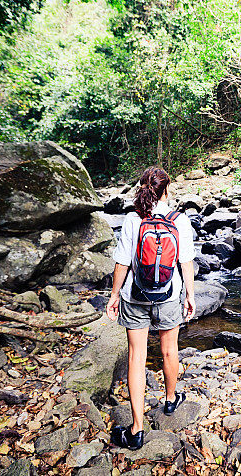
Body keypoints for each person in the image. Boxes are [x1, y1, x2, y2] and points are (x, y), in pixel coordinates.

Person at [106, 166, 196, 450]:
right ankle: (170, 400)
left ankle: (137, 429)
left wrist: (114, 295)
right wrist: (189, 295)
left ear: (143, 188)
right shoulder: (179, 221)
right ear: (167, 190)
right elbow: (186, 263)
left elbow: (122, 262)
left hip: (135, 296)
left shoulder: (133, 219)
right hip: (169, 296)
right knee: (170, 350)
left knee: (137, 358)